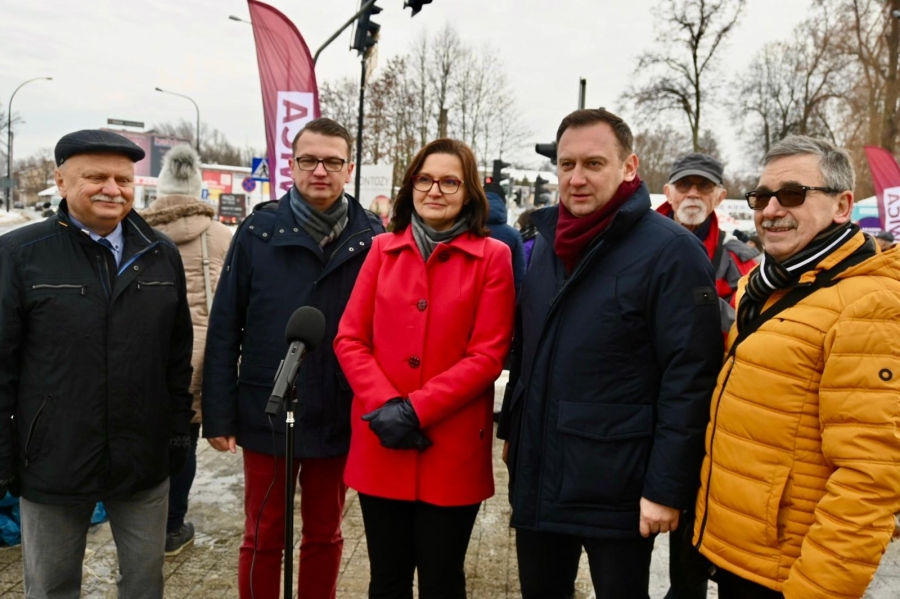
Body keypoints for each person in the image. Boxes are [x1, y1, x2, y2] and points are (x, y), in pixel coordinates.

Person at [497, 109, 723, 599]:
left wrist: (665, 488)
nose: (576, 178)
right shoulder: (546, 242)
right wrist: (514, 429)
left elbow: (691, 378)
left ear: (629, 166)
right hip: (540, 475)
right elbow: (530, 348)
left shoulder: (672, 252)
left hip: (619, 488)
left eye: (594, 164)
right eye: (567, 164)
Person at [692, 135, 900, 598]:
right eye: (762, 196)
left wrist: (816, 589)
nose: (770, 210)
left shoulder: (871, 306)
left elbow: (869, 480)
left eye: (792, 194)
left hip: (791, 573)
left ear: (842, 206)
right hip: (739, 555)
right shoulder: (764, 286)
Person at [0, 129, 194, 599]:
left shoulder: (160, 253)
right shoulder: (19, 254)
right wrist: (5, 455)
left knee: (145, 584)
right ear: (61, 182)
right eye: (96, 177)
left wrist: (177, 436)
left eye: (123, 179)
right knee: (51, 587)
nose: (113, 189)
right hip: (53, 459)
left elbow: (176, 358)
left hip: (142, 459)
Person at [202, 118, 384, 599]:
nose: (319, 171)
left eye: (332, 161)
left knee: (325, 533)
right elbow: (225, 327)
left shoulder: (373, 237)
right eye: (309, 160)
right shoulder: (257, 232)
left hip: (338, 411)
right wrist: (218, 413)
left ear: (349, 168)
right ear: (292, 165)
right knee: (263, 534)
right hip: (267, 406)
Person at [334, 138, 515, 599]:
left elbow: (487, 355)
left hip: (450, 445)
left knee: (442, 580)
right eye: (425, 179)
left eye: (449, 181)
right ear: (411, 185)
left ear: (469, 191)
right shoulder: (381, 249)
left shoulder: (494, 256)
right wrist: (386, 405)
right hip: (383, 437)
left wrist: (414, 410)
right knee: (387, 579)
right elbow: (350, 339)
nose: (435, 190)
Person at [141, 144, 232, 556]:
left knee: (143, 439)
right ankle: (172, 526)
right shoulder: (221, 235)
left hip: (144, 352)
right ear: (198, 188)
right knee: (183, 439)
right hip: (197, 356)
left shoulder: (137, 232)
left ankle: (140, 526)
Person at [658, 153, 759, 333]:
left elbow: (749, 324)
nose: (693, 194)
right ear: (668, 193)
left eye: (704, 186)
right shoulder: (634, 244)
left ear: (720, 197)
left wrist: (697, 303)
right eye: (684, 184)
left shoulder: (739, 258)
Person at [484, 182, 526, 292]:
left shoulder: (465, 229)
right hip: (501, 297)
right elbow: (520, 278)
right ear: (503, 202)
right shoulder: (513, 235)